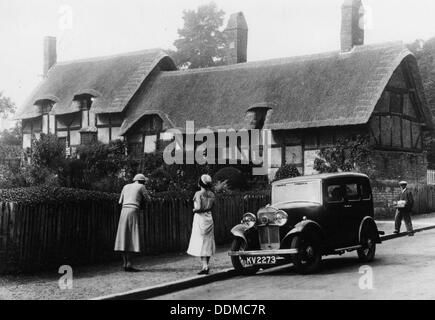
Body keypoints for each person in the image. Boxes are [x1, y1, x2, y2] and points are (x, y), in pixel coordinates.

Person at [114, 173, 151, 272]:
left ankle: (125, 263)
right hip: (133, 210)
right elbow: (148, 199)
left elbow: (120, 201)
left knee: (123, 236)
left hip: (123, 210)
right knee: (131, 236)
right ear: (141, 181)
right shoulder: (141, 186)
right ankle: (129, 263)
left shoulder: (125, 186)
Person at [187, 174, 216, 275]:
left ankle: (205, 266)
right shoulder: (212, 194)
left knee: (200, 242)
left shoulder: (198, 193)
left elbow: (199, 207)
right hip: (209, 217)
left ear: (200, 183)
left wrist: (194, 209)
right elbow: (213, 206)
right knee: (207, 242)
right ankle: (206, 265)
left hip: (200, 218)